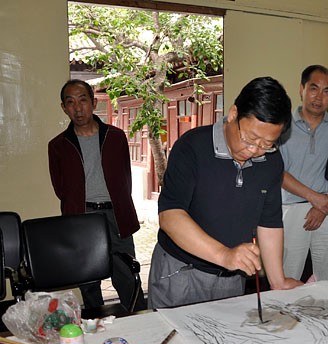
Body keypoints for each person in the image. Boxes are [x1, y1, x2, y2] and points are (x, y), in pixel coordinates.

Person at [147, 76, 303, 309]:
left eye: (266, 144)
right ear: (233, 114)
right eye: (250, 138)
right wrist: (224, 255)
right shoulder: (192, 147)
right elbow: (170, 216)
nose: (253, 150)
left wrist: (277, 281)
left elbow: (269, 222)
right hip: (181, 274)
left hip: (230, 279)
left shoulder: (271, 162)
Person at [48, 79, 146, 310]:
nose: (78, 108)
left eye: (83, 100)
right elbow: (60, 188)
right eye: (70, 102)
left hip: (115, 214)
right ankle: (95, 322)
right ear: (64, 107)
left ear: (93, 103)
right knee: (88, 280)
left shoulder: (116, 137)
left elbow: (125, 177)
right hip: (81, 217)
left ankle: (139, 318)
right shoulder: (58, 145)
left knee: (126, 274)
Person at [279, 65, 328, 282]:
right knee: (286, 276)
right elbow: (278, 172)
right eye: (313, 88)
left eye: (327, 91)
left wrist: (324, 205)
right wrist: (315, 199)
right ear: (301, 89)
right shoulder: (282, 126)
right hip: (291, 209)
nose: (319, 97)